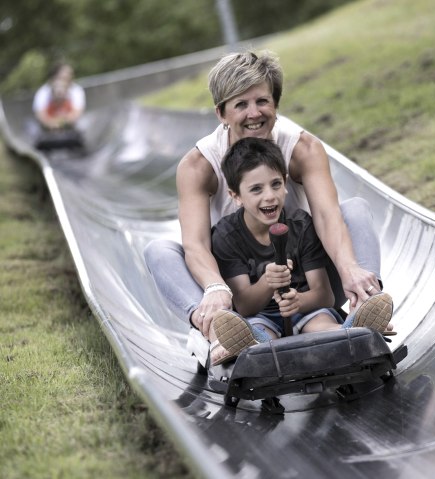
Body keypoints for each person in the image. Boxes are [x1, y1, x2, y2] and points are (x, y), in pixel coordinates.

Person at [144, 50, 393, 358]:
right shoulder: (198, 165)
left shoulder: (302, 148)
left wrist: (350, 269)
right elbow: (195, 244)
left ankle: (366, 306)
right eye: (241, 104)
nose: (254, 113)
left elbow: (328, 217)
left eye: (262, 101)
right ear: (221, 113)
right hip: (239, 291)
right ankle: (216, 330)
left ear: (275, 103)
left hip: (309, 282)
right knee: (159, 251)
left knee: (354, 208)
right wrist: (215, 288)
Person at [209, 137, 392, 365]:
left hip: (307, 312)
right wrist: (268, 281)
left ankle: (352, 332)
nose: (269, 195)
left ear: (285, 183)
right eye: (256, 189)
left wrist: (298, 302)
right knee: (254, 327)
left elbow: (325, 294)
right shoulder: (226, 235)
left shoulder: (300, 224)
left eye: (275, 184)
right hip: (260, 316)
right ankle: (256, 345)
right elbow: (245, 305)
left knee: (320, 324)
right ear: (235, 196)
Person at [32, 63, 86, 130]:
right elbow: (41, 115)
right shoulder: (43, 92)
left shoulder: (76, 90)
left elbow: (76, 113)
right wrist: (52, 123)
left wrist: (63, 122)